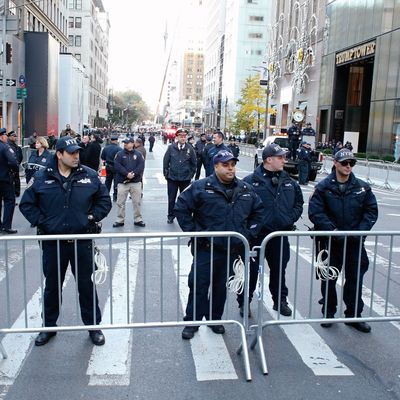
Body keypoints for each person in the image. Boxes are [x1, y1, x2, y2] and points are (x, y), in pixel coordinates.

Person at [19, 136, 112, 346]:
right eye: (71, 153)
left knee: (87, 287)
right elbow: (26, 205)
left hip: (82, 242)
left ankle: (93, 327)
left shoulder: (89, 175)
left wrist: (91, 217)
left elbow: (104, 200)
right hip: (54, 244)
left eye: (78, 152)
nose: (76, 156)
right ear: (59, 154)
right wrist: (43, 222)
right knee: (52, 287)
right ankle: (49, 327)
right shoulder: (42, 177)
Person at [175, 150, 264, 339]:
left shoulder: (245, 189)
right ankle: (192, 321)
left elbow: (258, 213)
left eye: (232, 164)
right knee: (198, 285)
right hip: (207, 249)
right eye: (225, 165)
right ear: (216, 166)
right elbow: (181, 208)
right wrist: (196, 233)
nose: (230, 168)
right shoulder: (200, 187)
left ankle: (215, 319)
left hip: (232, 250)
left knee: (220, 287)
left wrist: (247, 235)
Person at [308, 148, 378, 333]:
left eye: (351, 163)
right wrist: (333, 231)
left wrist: (359, 232)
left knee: (355, 279)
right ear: (336, 163)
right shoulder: (323, 187)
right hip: (331, 242)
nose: (348, 166)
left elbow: (371, 212)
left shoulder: (362, 187)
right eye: (345, 163)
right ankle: (328, 313)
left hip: (354, 243)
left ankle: (353, 316)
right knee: (328, 279)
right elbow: (316, 213)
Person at [239, 143, 304, 317]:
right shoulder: (249, 181)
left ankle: (280, 301)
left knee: (279, 270)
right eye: (280, 157)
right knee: (250, 272)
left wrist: (289, 219)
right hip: (256, 237)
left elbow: (299, 203)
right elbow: (241, 209)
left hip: (279, 235)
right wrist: (251, 228)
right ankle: (244, 302)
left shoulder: (289, 181)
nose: (284, 160)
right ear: (269, 159)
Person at [163, 128, 197, 224]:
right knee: (171, 198)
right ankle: (171, 215)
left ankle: (185, 216)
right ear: (177, 137)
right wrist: (166, 174)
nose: (183, 138)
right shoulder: (171, 148)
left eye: (184, 136)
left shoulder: (190, 148)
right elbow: (166, 162)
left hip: (185, 179)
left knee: (185, 199)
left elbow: (194, 164)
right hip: (172, 178)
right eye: (181, 136)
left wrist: (190, 175)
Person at [113, 137, 146, 228]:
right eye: (124, 143)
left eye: (127, 143)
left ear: (132, 144)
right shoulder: (119, 154)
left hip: (135, 182)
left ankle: (138, 219)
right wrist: (126, 174)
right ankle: (120, 220)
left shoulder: (138, 154)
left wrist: (134, 174)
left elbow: (141, 166)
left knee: (137, 202)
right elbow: (117, 166)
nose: (125, 144)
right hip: (123, 182)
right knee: (120, 202)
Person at [0, 128, 19, 233]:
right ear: (2, 136)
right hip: (5, 178)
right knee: (9, 201)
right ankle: (6, 226)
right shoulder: (5, 147)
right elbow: (12, 161)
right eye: (5, 136)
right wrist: (15, 170)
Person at [100, 134, 121, 201]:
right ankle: (115, 196)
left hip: (108, 166)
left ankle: (106, 195)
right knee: (116, 182)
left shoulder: (106, 148)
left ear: (111, 140)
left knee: (108, 182)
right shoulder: (119, 149)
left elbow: (102, 157)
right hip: (116, 167)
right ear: (116, 141)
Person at [7, 131, 23, 198]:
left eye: (16, 136)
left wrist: (17, 163)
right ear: (10, 136)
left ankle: (16, 192)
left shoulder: (14, 145)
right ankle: (13, 194)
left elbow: (20, 156)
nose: (15, 137)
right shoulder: (8, 145)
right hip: (11, 168)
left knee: (16, 179)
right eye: (14, 136)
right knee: (11, 182)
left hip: (15, 166)